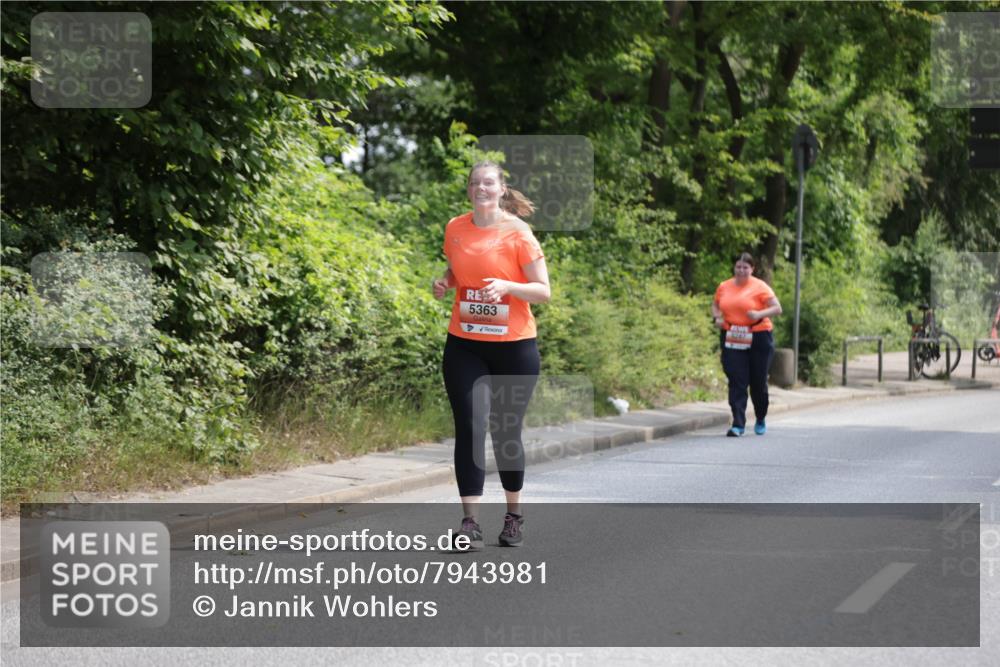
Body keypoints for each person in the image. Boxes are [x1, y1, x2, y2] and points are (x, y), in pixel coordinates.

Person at [432, 160, 550, 550]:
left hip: (514, 347)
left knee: (505, 431)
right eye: (474, 183)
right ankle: (470, 523)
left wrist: (508, 286)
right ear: (469, 190)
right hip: (464, 342)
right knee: (469, 426)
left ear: (501, 190)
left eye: (488, 183)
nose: (480, 188)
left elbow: (543, 290)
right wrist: (445, 282)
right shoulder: (455, 227)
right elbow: (458, 269)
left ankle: (513, 517)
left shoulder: (519, 233)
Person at [711, 253, 782, 437]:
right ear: (734, 268)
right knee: (736, 379)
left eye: (745, 267)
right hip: (732, 334)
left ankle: (760, 416)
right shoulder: (724, 286)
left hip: (758, 335)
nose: (741, 270)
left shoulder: (760, 287)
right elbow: (716, 305)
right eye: (738, 267)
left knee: (758, 382)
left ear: (752, 269)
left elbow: (777, 308)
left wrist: (759, 314)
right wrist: (717, 317)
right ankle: (738, 423)